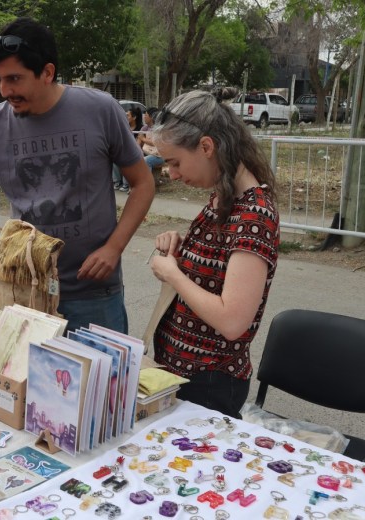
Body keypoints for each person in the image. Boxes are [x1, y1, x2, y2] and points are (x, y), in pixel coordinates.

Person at [0, 17, 155, 334]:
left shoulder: (100, 109)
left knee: (100, 383)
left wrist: (114, 248)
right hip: (24, 290)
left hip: (93, 292)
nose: (5, 91)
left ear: (48, 72)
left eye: (14, 78)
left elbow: (143, 183)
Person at [149, 88, 280, 418]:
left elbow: (232, 320)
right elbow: (217, 272)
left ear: (206, 146)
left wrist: (174, 275)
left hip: (209, 381)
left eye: (175, 162)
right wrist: (183, 250)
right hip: (186, 372)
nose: (173, 174)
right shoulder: (223, 198)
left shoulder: (254, 215)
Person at [112, 106, 142, 193]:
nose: (125, 117)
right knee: (114, 159)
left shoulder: (140, 128)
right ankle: (117, 181)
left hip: (136, 152)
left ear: (134, 117)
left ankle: (126, 184)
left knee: (127, 159)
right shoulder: (124, 127)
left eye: (127, 115)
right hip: (124, 149)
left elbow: (137, 144)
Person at [139, 107, 165, 184]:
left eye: (146, 115)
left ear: (152, 117)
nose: (144, 117)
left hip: (159, 155)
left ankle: (147, 185)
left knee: (145, 161)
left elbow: (156, 143)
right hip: (147, 152)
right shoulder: (144, 127)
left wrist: (143, 139)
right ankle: (126, 184)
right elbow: (138, 141)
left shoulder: (159, 128)